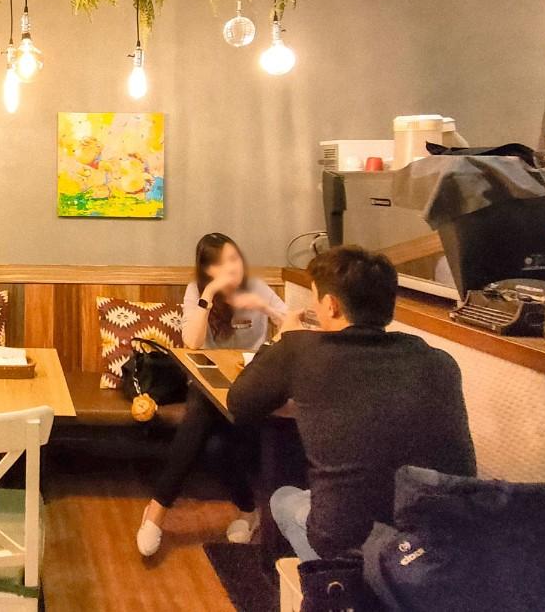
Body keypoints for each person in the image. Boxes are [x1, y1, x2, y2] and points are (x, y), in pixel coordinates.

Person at [227, 245, 476, 561]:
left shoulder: (300, 350)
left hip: (354, 547)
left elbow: (240, 402)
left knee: (284, 498)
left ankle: (316, 577)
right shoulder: (441, 361)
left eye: (316, 298)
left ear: (331, 305)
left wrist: (282, 338)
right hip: (446, 544)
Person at [136, 233, 287, 557]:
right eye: (224, 263)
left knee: (213, 442)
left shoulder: (256, 288)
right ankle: (163, 511)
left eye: (235, 258)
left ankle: (159, 511)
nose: (234, 267)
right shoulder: (197, 290)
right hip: (209, 383)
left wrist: (263, 307)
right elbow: (191, 342)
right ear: (208, 270)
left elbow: (293, 325)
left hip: (250, 385)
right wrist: (208, 295)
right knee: (208, 428)